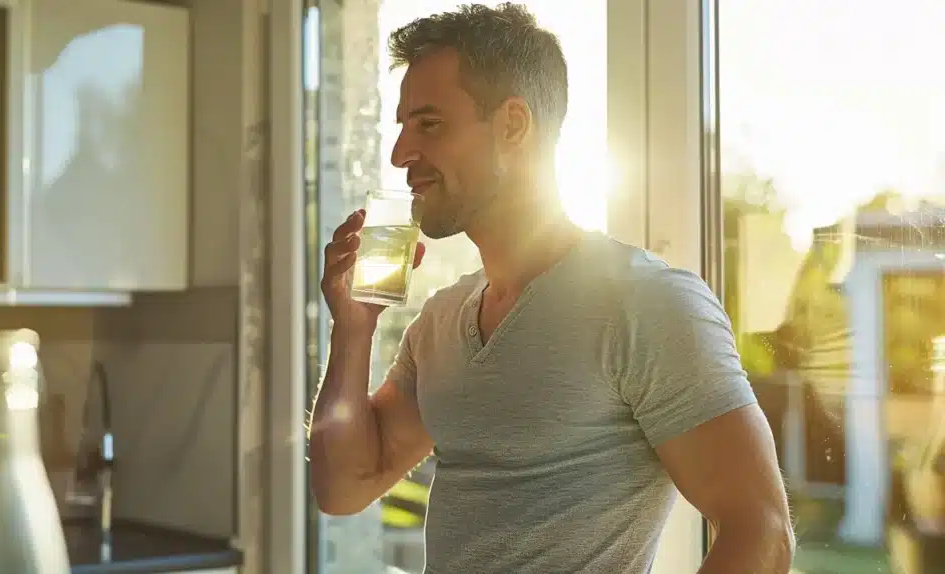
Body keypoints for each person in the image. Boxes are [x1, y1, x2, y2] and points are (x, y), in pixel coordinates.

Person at [308, 3, 795, 573]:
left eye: (429, 125)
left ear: (513, 125)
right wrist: (353, 327)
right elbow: (343, 486)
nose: (400, 154)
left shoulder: (645, 304)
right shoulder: (440, 323)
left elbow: (760, 533)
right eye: (402, 127)